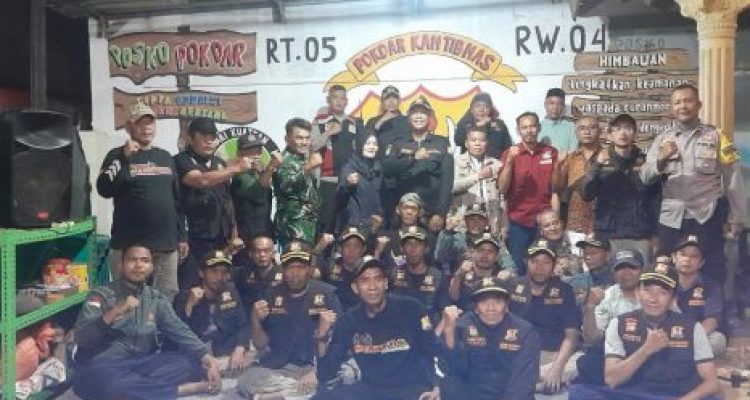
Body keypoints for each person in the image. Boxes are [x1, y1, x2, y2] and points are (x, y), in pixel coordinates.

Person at [72, 244, 222, 399]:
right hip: (104, 366)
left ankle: (142, 390)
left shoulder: (155, 298)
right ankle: (181, 390)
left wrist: (206, 356)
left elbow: (180, 330)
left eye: (145, 261)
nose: (139, 265)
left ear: (152, 267)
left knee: (189, 363)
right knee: (114, 385)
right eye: (132, 260)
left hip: (142, 364)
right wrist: (112, 313)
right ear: (121, 265)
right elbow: (83, 339)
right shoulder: (101, 295)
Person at [641, 84, 747, 284]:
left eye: (688, 101)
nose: (683, 106)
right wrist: (661, 160)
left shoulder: (717, 136)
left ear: (698, 105)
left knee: (713, 272)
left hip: (707, 215)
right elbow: (645, 177)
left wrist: (737, 217)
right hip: (671, 218)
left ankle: (711, 305)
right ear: (672, 108)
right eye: (677, 102)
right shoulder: (662, 139)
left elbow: (733, 178)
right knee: (665, 272)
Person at [569, 264, 720, 400]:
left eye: (662, 292)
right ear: (638, 292)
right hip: (631, 394)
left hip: (675, 395)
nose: (653, 299)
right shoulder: (619, 324)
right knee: (579, 393)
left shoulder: (692, 328)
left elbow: (711, 383)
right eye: (647, 290)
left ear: (673, 298)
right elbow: (612, 379)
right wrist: (646, 350)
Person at [313, 257, 439, 400]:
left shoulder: (412, 308)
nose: (372, 286)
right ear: (355, 288)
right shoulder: (348, 321)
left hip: (411, 388)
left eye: (377, 279)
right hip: (371, 389)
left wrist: (437, 385)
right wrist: (322, 337)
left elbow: (431, 349)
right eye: (364, 280)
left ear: (385, 283)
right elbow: (326, 374)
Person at [96, 102, 186, 301]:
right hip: (130, 246)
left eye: (150, 123)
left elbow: (176, 200)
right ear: (129, 127)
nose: (146, 128)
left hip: (165, 245)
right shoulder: (116, 155)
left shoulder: (165, 157)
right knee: (128, 303)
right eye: (140, 123)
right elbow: (104, 188)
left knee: (164, 302)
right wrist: (123, 156)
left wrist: (182, 236)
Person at [238, 240, 341, 398]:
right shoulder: (270, 294)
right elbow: (260, 344)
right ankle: (297, 393)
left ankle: (283, 395)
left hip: (315, 364)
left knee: (343, 373)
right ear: (282, 269)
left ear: (310, 269)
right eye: (290, 267)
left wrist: (317, 371)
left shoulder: (327, 294)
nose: (295, 273)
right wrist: (255, 321)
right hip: (282, 367)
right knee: (247, 380)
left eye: (300, 267)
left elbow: (340, 344)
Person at [174, 117, 249, 289]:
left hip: (221, 240)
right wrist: (236, 168)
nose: (209, 141)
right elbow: (201, 180)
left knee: (220, 286)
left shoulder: (219, 163)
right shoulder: (181, 160)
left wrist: (234, 234)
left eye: (213, 137)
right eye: (203, 136)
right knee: (192, 286)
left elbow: (227, 201)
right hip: (194, 240)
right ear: (190, 138)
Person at [439, 277, 540, 400]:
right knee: (450, 384)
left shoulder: (525, 331)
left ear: (506, 306)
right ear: (476, 308)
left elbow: (523, 381)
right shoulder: (462, 325)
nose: (491, 307)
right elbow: (451, 369)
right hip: (473, 394)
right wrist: (449, 331)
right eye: (484, 302)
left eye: (497, 301)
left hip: (509, 393)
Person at [581, 113, 657, 267]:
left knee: (639, 277)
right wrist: (597, 165)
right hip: (608, 235)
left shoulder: (645, 161)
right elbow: (586, 194)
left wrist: (656, 235)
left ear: (635, 134)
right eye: (617, 129)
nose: (623, 133)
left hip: (639, 235)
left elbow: (655, 200)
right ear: (609, 135)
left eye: (628, 128)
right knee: (609, 278)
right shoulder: (600, 160)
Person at [507, 239, 581, 394]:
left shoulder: (564, 290)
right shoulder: (512, 285)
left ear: (554, 265)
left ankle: (530, 382)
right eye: (534, 261)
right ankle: (539, 384)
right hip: (518, 353)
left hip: (552, 355)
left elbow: (572, 335)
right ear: (527, 262)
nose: (539, 268)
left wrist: (557, 367)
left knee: (582, 360)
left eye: (546, 262)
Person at [497, 112, 559, 275]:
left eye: (532, 126)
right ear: (518, 131)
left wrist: (555, 218)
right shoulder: (509, 153)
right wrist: (510, 161)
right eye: (524, 127)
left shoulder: (550, 152)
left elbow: (556, 189)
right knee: (520, 267)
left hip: (544, 222)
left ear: (539, 128)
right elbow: (502, 189)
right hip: (519, 221)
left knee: (546, 268)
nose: (529, 130)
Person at [383, 96, 453, 233]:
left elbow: (447, 181)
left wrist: (440, 213)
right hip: (403, 214)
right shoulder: (398, 143)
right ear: (409, 117)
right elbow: (388, 169)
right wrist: (412, 158)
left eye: (423, 113)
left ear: (429, 117)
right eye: (415, 113)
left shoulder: (441, 143)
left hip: (431, 215)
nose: (419, 116)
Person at [173, 250, 250, 370]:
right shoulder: (185, 296)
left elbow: (243, 325)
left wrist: (240, 349)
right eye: (214, 271)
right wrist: (189, 305)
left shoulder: (231, 292)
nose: (219, 277)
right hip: (196, 356)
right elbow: (177, 334)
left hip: (224, 352)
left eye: (224, 272)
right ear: (201, 273)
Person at [576, 249, 643, 386]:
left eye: (632, 267)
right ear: (613, 273)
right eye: (620, 268)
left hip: (647, 354)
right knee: (585, 362)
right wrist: (589, 308)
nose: (626, 273)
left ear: (642, 270)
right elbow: (592, 340)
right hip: (615, 356)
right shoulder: (606, 296)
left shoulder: (654, 292)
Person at [311, 85, 366, 235]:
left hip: (349, 181)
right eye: (335, 97)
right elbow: (312, 146)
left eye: (342, 98)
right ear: (328, 99)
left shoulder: (353, 122)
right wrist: (328, 133)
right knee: (326, 224)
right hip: (329, 180)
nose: (339, 101)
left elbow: (360, 151)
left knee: (349, 225)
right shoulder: (320, 121)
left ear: (346, 101)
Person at [673, 235, 727, 357]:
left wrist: (689, 338)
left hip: (696, 336)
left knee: (718, 341)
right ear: (674, 258)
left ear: (701, 263)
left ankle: (680, 356)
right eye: (683, 254)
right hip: (667, 334)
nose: (687, 259)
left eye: (694, 256)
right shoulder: (663, 282)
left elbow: (712, 320)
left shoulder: (711, 286)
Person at [366, 85, 411, 227]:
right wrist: (381, 121)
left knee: (403, 220)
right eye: (387, 99)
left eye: (394, 98)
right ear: (382, 102)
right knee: (380, 220)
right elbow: (364, 143)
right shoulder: (373, 122)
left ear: (399, 100)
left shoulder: (408, 121)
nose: (391, 102)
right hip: (379, 179)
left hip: (402, 178)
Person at [552, 116, 601, 242]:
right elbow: (557, 188)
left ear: (600, 131)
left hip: (603, 223)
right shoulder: (571, 159)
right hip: (576, 223)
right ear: (576, 133)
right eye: (582, 128)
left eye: (592, 128)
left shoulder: (607, 156)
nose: (587, 132)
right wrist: (558, 165)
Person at [274, 118, 322, 246]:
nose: (304, 142)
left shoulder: (304, 158)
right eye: (299, 138)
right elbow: (286, 186)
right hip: (292, 228)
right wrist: (307, 168)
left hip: (309, 225)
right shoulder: (283, 160)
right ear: (287, 139)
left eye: (307, 138)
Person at [451, 125, 504, 235]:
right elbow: (451, 187)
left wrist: (504, 224)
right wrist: (477, 176)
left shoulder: (497, 164)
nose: (477, 144)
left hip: (491, 223)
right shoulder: (455, 162)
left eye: (482, 140)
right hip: (462, 223)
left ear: (487, 143)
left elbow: (503, 197)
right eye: (473, 140)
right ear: (466, 143)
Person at [435, 202, 515, 275]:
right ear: (465, 221)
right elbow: (440, 257)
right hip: (461, 281)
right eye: (471, 219)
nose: (476, 223)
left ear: (486, 222)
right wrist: (446, 232)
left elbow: (508, 263)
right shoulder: (455, 239)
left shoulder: (494, 241)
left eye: (480, 219)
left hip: (488, 282)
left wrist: (508, 272)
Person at [390, 225, 447, 320]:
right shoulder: (393, 274)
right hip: (398, 325)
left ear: (426, 248)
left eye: (419, 244)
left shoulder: (438, 277)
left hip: (429, 326)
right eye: (409, 244)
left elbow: (445, 312)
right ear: (401, 248)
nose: (413, 249)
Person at [231, 134, 280, 241]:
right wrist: (271, 166)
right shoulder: (239, 175)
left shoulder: (258, 173)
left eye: (258, 151)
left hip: (264, 231)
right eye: (250, 151)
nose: (256, 155)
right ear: (239, 153)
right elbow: (256, 191)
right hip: (247, 235)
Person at [448, 232, 513, 310]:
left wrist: (510, 279)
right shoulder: (463, 271)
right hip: (466, 314)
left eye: (490, 251)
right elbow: (454, 297)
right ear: (472, 253)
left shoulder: (501, 276)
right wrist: (458, 275)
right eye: (481, 250)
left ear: (497, 256)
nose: (485, 255)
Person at [335, 134, 384, 234]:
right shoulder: (349, 168)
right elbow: (339, 200)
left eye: (375, 144)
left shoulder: (378, 169)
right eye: (367, 143)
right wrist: (348, 185)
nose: (371, 147)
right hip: (354, 225)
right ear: (360, 145)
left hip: (375, 224)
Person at [375, 192, 437, 268]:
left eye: (413, 208)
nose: (409, 212)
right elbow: (374, 269)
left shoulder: (429, 238)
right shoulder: (385, 238)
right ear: (398, 210)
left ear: (420, 212)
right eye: (405, 207)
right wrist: (378, 251)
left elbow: (433, 267)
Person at [319, 225, 368, 310]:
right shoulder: (330, 267)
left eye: (356, 246)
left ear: (363, 250)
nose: (351, 250)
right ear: (340, 249)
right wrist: (318, 248)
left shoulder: (368, 271)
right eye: (347, 245)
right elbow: (311, 274)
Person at [231, 233, 283, 311]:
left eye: (266, 250)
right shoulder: (243, 274)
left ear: (273, 253)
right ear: (250, 254)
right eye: (258, 251)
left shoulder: (285, 275)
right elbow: (221, 273)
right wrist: (228, 251)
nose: (262, 254)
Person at [453, 92, 512, 157]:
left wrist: (489, 126)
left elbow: (508, 147)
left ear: (490, 110)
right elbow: (458, 140)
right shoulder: (465, 123)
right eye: (478, 106)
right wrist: (478, 125)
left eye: (486, 106)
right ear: (472, 109)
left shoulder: (499, 124)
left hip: (495, 161)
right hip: (470, 162)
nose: (482, 110)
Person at [539, 88, 577, 152]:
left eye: (559, 104)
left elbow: (573, 152)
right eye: (551, 103)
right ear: (545, 104)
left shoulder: (571, 127)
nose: (555, 107)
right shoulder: (537, 127)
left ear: (563, 106)